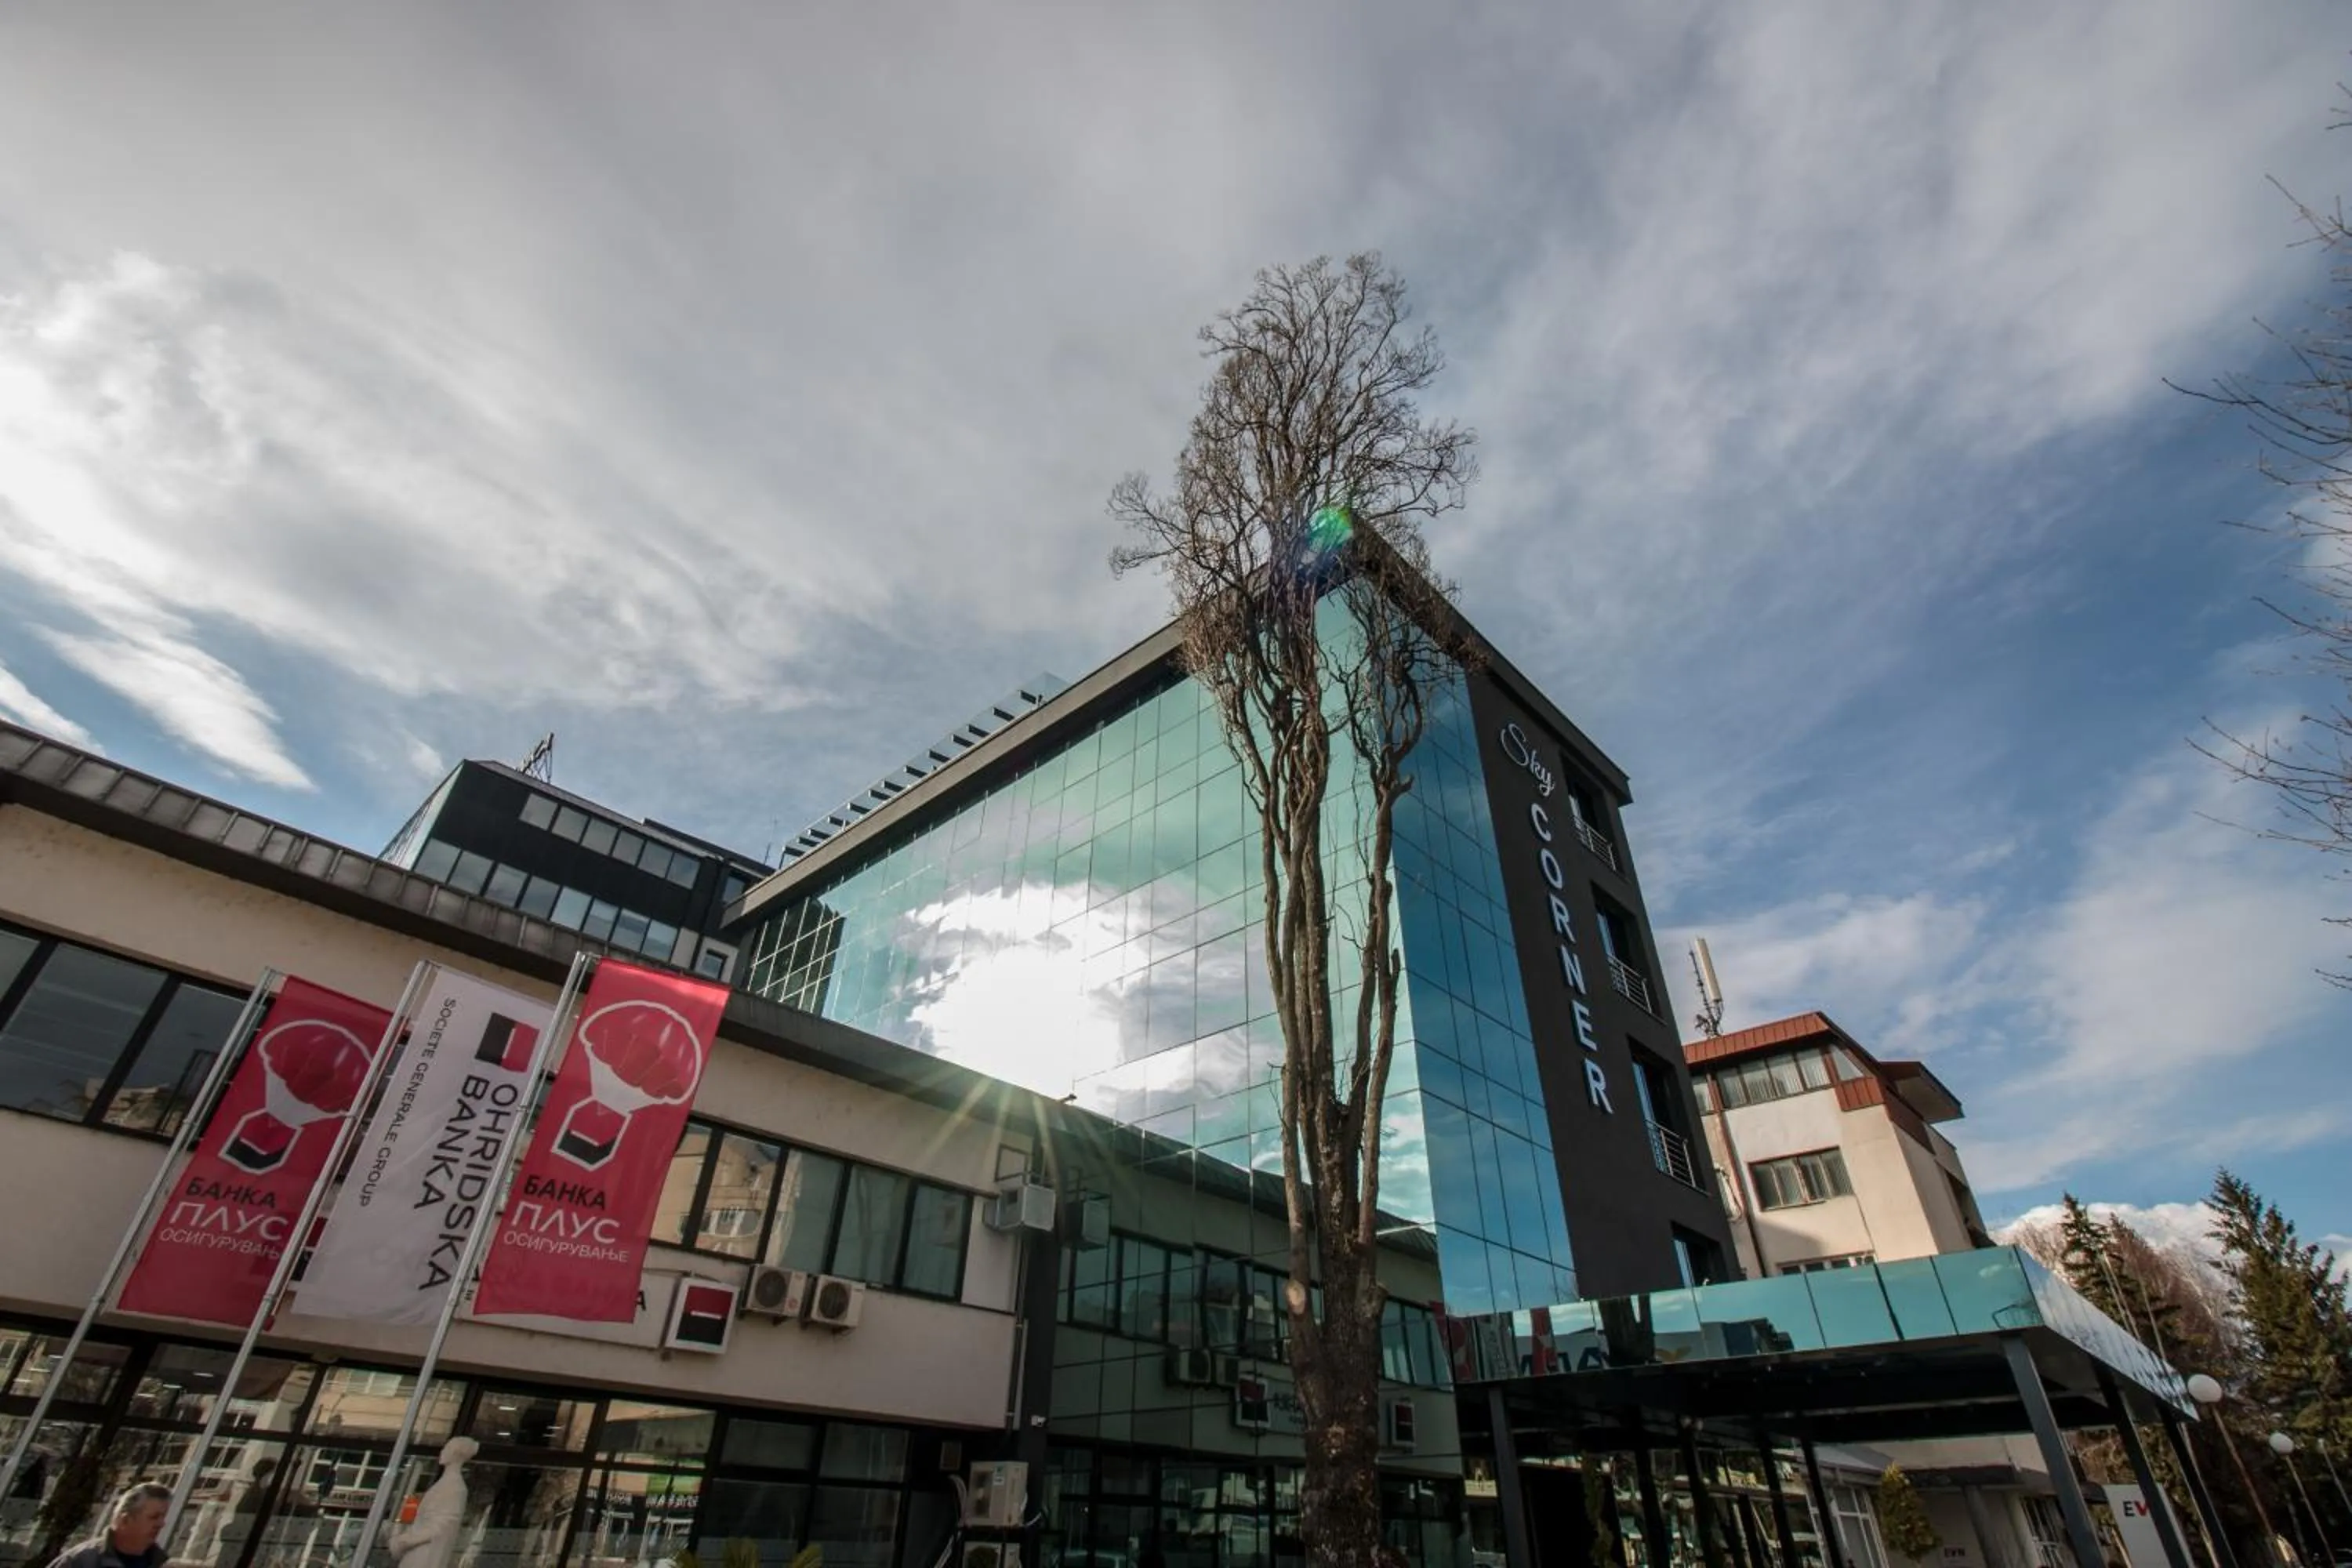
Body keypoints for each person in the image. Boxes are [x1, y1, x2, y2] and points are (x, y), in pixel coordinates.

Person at [44, 1482, 171, 1568]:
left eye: (163, 1517)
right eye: (154, 1517)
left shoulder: (163, 1564)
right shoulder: (82, 1561)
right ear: (125, 1520)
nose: (161, 1524)